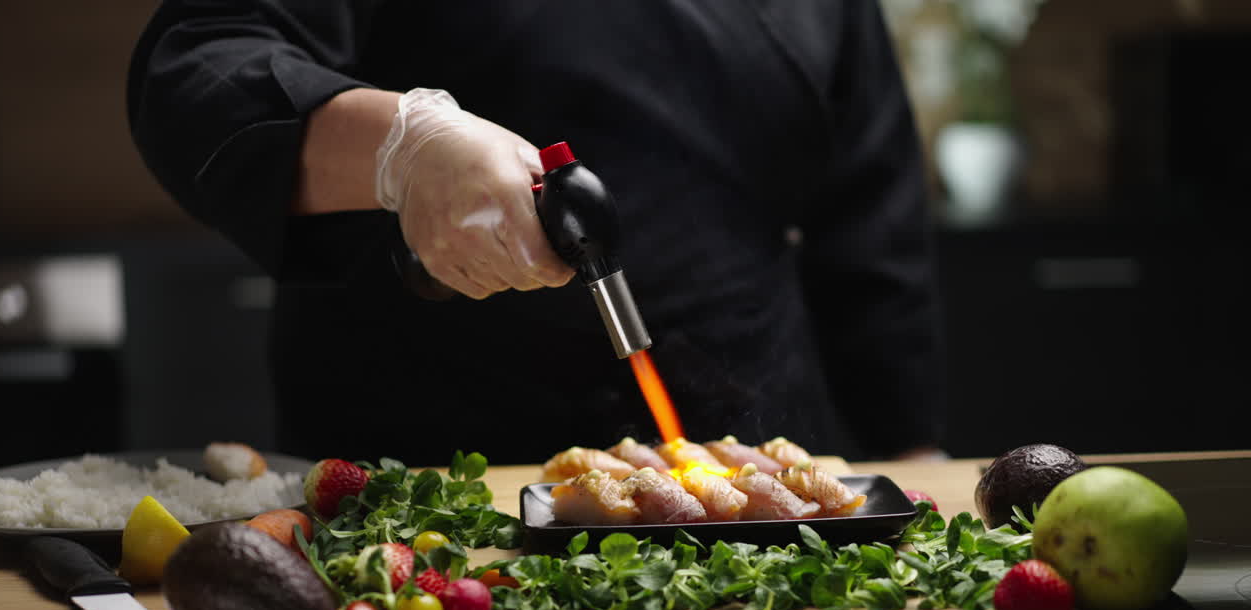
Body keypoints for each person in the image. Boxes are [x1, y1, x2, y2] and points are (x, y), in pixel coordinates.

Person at [127, 0, 947, 467]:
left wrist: (908, 452)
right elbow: (193, 67)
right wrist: (403, 148)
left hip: (758, 477)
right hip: (433, 487)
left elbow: (871, 226)